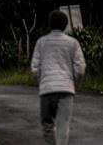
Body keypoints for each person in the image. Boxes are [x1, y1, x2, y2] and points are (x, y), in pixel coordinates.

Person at [31, 9, 87, 145]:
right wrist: (74, 84)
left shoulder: (41, 42)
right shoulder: (73, 43)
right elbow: (80, 68)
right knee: (63, 126)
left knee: (47, 124)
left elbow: (35, 68)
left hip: (46, 90)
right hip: (66, 90)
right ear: (65, 24)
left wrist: (41, 82)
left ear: (49, 24)